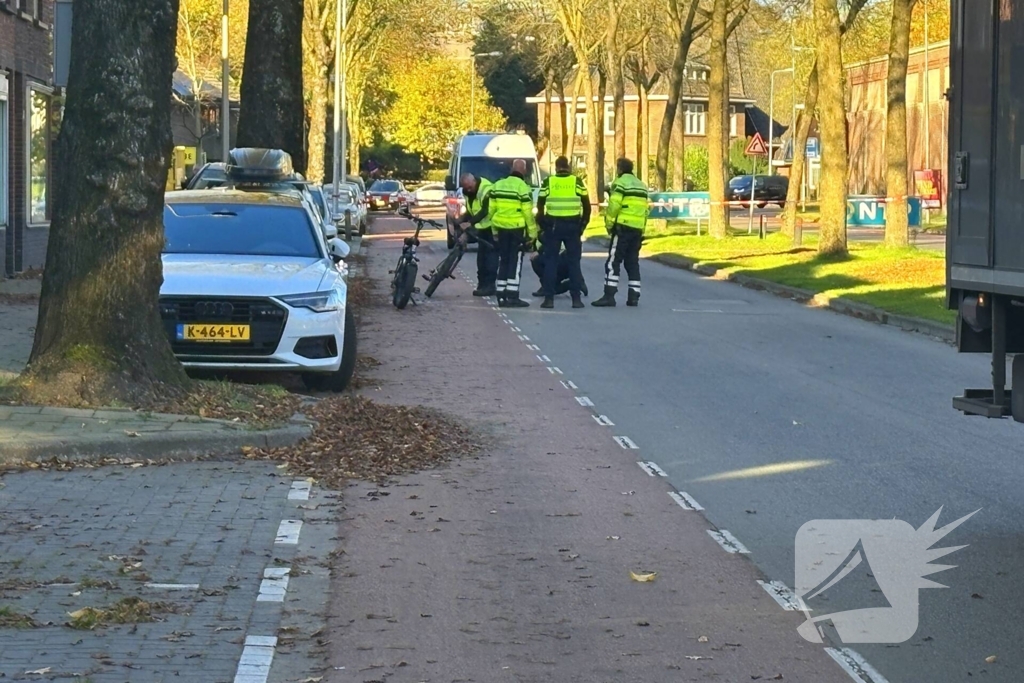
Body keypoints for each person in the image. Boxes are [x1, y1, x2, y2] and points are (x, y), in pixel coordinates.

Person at [593, 158, 649, 308]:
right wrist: (642, 229)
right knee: (632, 262)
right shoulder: (642, 186)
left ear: (619, 169)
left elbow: (614, 206)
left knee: (613, 261)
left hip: (622, 228)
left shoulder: (620, 183)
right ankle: (634, 296)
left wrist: (609, 224)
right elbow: (645, 211)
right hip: (637, 229)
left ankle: (609, 295)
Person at [535, 156, 590, 309]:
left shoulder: (549, 182)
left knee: (551, 262)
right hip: (573, 226)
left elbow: (539, 207)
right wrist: (582, 226)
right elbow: (587, 206)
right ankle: (576, 300)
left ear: (556, 167)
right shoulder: (577, 182)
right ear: (568, 167)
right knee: (574, 263)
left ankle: (549, 299)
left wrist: (544, 224)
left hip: (553, 226)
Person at [487, 159, 538, 308]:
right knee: (515, 262)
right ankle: (512, 295)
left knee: (503, 260)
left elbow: (491, 211)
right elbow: (528, 213)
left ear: (512, 169)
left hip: (501, 228)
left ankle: (501, 294)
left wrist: (494, 231)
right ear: (523, 171)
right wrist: (532, 234)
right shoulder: (523, 188)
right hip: (517, 230)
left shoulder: (497, 185)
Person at [450, 173, 498, 296]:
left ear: (474, 182)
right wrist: (462, 219)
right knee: (481, 258)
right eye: (466, 188)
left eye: (470, 187)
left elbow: (486, 210)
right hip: (481, 228)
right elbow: (471, 210)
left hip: (492, 228)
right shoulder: (468, 192)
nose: (468, 190)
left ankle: (490, 286)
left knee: (490, 258)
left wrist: (470, 223)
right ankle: (481, 285)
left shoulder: (487, 189)